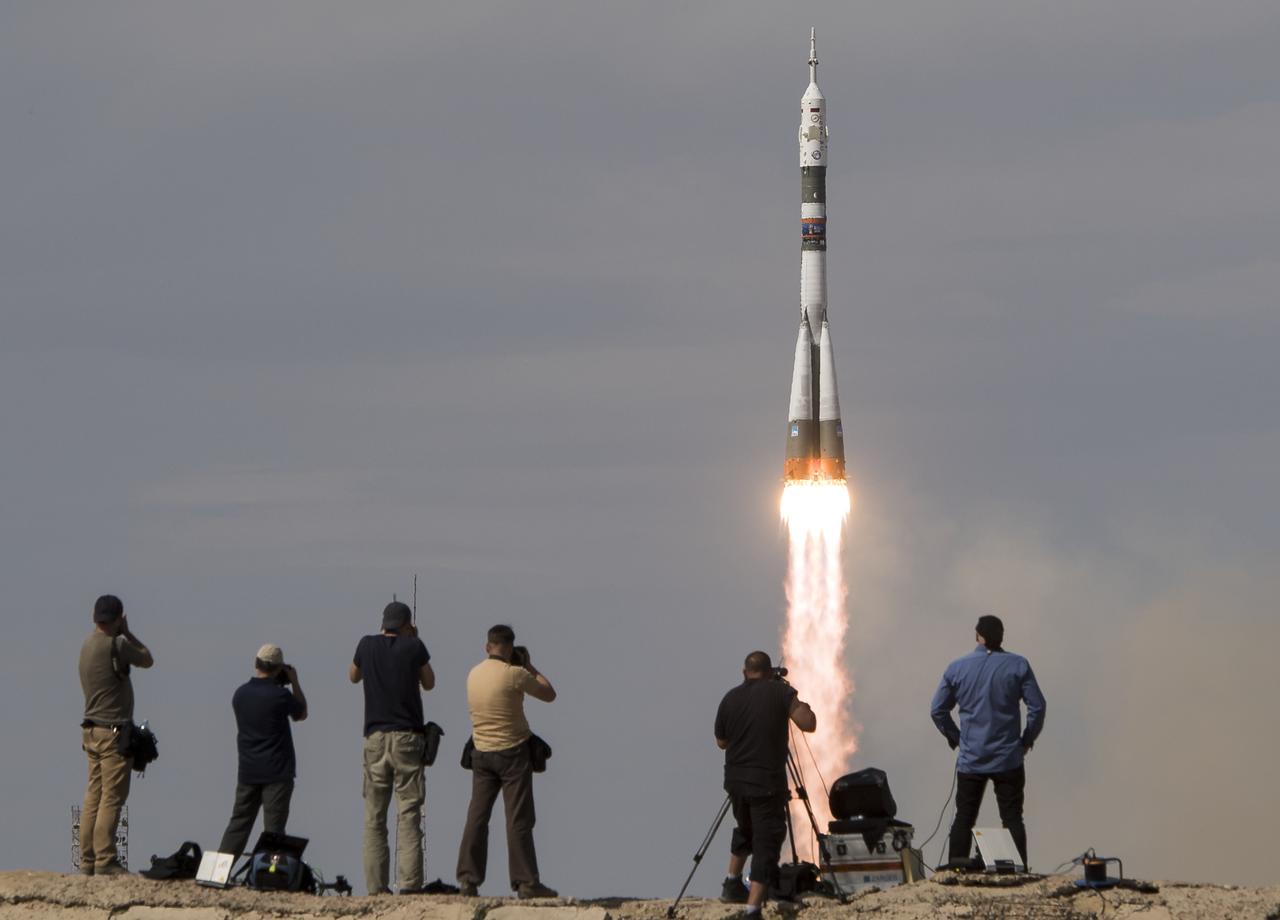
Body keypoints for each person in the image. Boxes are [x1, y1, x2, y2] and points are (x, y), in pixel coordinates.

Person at [930, 615, 1046, 869]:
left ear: (977, 636)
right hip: (1008, 758)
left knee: (964, 818)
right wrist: (1026, 740)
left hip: (972, 759)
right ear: (1002, 636)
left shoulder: (957, 668)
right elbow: (1037, 706)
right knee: (1013, 818)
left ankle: (955, 870)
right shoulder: (1018, 665)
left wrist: (957, 738)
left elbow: (937, 710)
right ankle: (1019, 870)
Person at [455, 625, 558, 899]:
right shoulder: (515, 675)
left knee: (477, 816)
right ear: (510, 648)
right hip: (513, 753)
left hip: (481, 752)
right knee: (518, 819)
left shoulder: (473, 674)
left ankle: (468, 880)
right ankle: (526, 882)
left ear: (488, 646)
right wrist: (530, 666)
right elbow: (549, 694)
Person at [714, 651, 817, 915]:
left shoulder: (730, 698)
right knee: (767, 841)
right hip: (766, 783)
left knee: (745, 829)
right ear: (770, 672)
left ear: (744, 672)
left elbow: (721, 742)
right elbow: (808, 723)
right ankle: (752, 909)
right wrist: (791, 695)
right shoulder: (779, 693)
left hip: (735, 782)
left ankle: (732, 883)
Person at [349, 601, 435, 894]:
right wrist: (412, 641)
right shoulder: (414, 646)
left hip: (375, 737)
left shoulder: (366, 644)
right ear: (407, 624)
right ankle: (410, 885)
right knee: (408, 812)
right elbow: (430, 682)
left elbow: (353, 675)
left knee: (374, 816)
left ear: (383, 622)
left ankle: (376, 886)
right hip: (408, 737)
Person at [78, 594, 154, 876]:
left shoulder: (86, 645)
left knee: (92, 796)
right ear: (119, 618)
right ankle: (105, 859)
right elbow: (147, 659)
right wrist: (128, 632)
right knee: (112, 798)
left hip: (91, 730)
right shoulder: (116, 645)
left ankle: (87, 860)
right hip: (113, 733)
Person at [217, 644, 308, 859]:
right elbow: (301, 713)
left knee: (238, 824)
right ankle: (269, 875)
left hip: (248, 770)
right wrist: (294, 681)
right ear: (279, 668)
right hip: (277, 772)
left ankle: (216, 873)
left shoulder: (240, 694)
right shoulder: (280, 696)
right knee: (273, 831)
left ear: (255, 663)